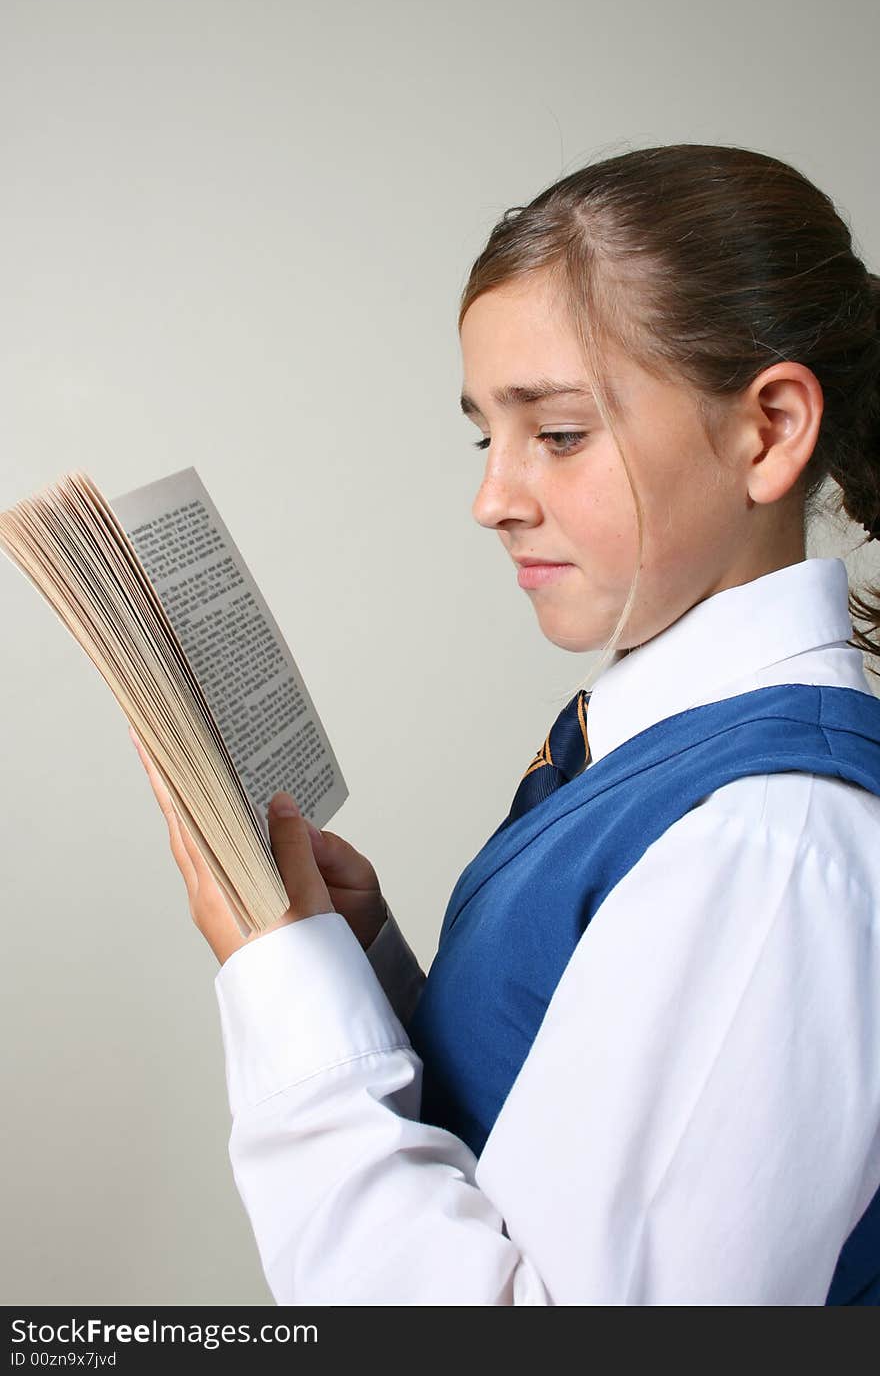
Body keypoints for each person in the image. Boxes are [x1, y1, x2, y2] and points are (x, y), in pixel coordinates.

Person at [133, 141, 880, 1305]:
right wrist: (360, 962)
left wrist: (285, 997)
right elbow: (548, 1121)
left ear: (769, 429)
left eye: (560, 433)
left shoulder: (767, 841)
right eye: (489, 434)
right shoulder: (661, 750)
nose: (493, 497)